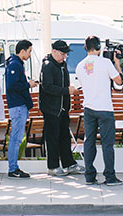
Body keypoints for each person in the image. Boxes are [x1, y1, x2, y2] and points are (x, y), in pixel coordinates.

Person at [76, 36, 123, 186]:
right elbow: (119, 81)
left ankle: (89, 175)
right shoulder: (106, 63)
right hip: (105, 108)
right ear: (98, 47)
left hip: (88, 108)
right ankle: (110, 176)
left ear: (85, 48)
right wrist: (117, 63)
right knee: (107, 144)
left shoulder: (80, 65)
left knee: (89, 142)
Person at [40, 40, 84, 176]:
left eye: (65, 54)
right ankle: (52, 166)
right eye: (62, 54)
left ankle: (69, 163)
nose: (64, 57)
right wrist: (66, 90)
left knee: (64, 136)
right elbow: (47, 87)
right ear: (54, 52)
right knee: (52, 137)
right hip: (51, 109)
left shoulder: (62, 65)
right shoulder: (48, 66)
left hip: (63, 108)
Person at [5, 39, 37, 178]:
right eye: (29, 51)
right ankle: (13, 168)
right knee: (16, 138)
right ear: (22, 51)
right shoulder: (15, 65)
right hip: (18, 105)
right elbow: (12, 85)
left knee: (17, 138)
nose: (30, 54)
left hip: (19, 105)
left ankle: (13, 167)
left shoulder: (15, 64)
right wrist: (28, 85)